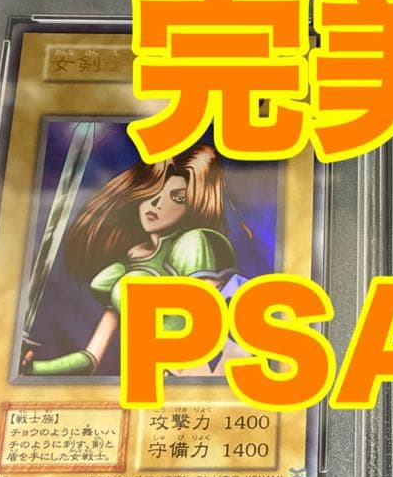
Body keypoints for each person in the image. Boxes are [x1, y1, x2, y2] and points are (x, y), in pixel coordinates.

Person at [24, 145, 241, 376]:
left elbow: (209, 321)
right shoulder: (125, 270)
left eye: (177, 197)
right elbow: (90, 359)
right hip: (162, 377)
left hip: (210, 367)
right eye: (153, 190)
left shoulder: (195, 244)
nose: (157, 203)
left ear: (194, 204)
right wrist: (32, 368)